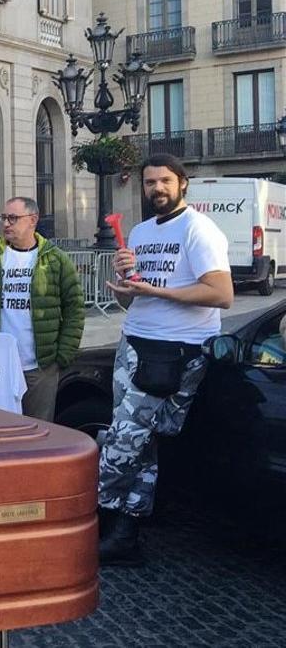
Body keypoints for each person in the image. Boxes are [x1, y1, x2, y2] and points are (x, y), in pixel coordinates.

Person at [97, 153, 233, 567]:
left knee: (120, 442)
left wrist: (159, 293)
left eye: (165, 181)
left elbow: (221, 293)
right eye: (150, 182)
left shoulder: (199, 229)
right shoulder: (138, 232)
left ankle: (92, 521)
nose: (156, 189)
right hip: (135, 341)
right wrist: (123, 284)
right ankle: (126, 534)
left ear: (182, 184)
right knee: (141, 443)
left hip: (174, 351)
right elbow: (128, 298)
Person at [0, 197, 84, 421]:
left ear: (32, 220)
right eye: (3, 218)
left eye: (12, 218)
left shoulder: (55, 260)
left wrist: (62, 356)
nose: (5, 224)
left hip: (39, 368)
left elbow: (75, 309)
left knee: (38, 433)